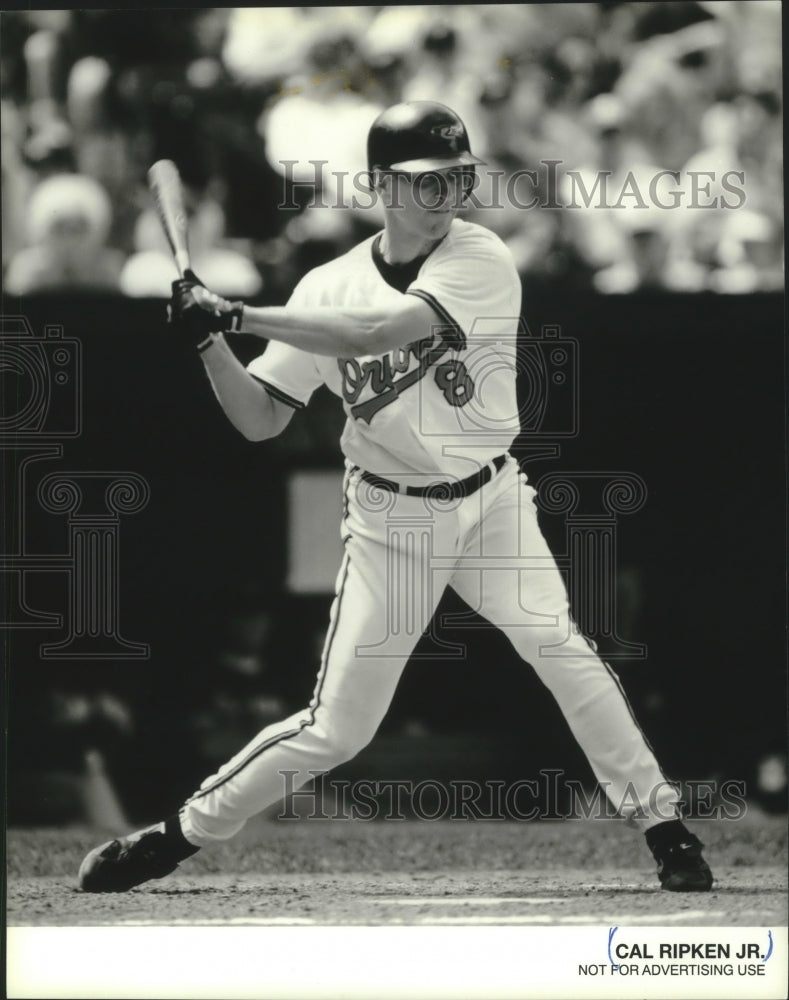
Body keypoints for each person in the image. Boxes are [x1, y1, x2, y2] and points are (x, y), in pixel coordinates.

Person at [78, 101, 713, 894]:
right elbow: (258, 419)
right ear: (380, 183)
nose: (446, 189)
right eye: (424, 178)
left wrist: (233, 311)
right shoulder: (324, 284)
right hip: (390, 521)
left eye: (457, 173)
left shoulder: (481, 257)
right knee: (338, 729)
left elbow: (374, 335)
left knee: (564, 654)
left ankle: (665, 829)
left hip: (491, 503)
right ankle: (177, 835)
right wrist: (209, 342)